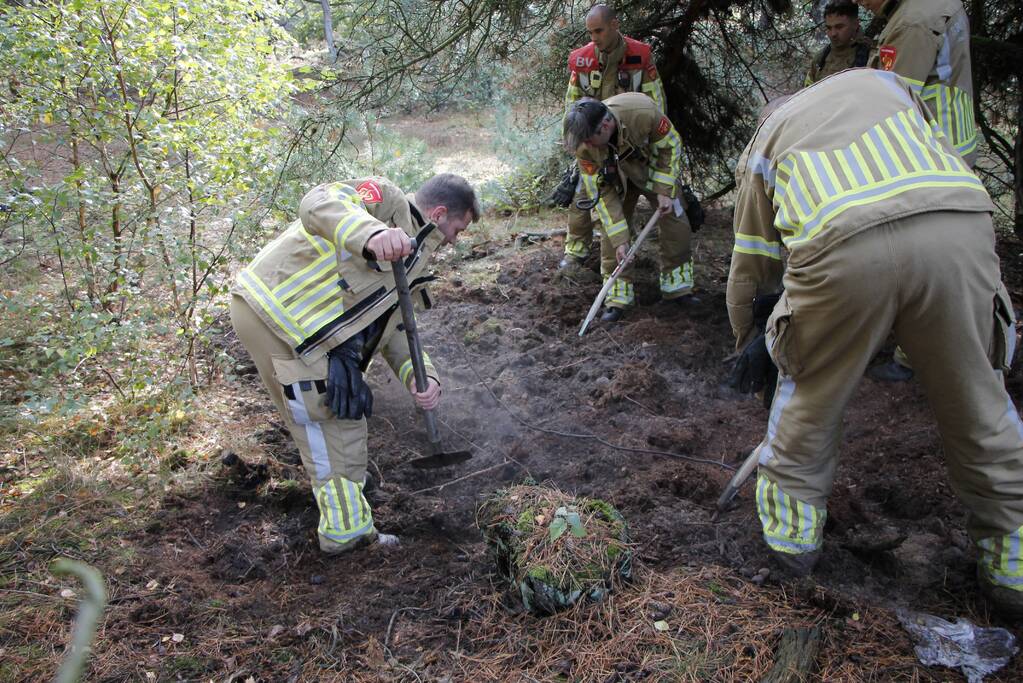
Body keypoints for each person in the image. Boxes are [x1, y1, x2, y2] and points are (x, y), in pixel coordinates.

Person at [727, 69, 1023, 618]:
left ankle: (789, 552)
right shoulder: (885, 83)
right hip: (957, 225)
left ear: (770, 114)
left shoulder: (763, 143)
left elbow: (753, 264)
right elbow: (946, 147)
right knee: (979, 399)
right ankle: (1013, 567)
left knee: (809, 400)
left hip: (840, 248)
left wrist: (761, 347)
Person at [230, 174, 479, 554]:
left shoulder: (414, 261)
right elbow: (318, 199)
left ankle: (346, 515)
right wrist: (371, 235)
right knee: (332, 424)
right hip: (281, 318)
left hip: (311, 336)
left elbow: (395, 330)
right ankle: (346, 535)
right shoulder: (386, 203)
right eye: (457, 230)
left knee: (335, 420)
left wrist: (421, 376)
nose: (453, 241)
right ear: (441, 213)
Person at [857, 0, 979, 382]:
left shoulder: (913, 22)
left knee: (925, 257)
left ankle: (913, 356)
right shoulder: (933, 5)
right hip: (946, 149)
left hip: (928, 156)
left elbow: (889, 101)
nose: (860, 2)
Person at [563, 93, 695, 323]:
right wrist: (620, 240)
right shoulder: (585, 148)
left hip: (652, 171)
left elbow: (670, 145)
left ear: (605, 125)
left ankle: (678, 290)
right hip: (616, 183)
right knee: (611, 237)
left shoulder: (641, 112)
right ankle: (618, 299)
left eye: (589, 139)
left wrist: (664, 190)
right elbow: (601, 194)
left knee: (676, 220)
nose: (586, 145)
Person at [557, 3, 667, 270]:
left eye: (599, 31)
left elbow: (657, 104)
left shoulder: (639, 58)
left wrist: (648, 145)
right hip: (595, 145)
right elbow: (571, 109)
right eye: (590, 32)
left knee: (661, 197)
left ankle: (664, 260)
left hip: (632, 144)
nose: (594, 38)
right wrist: (581, 146)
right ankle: (576, 252)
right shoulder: (581, 61)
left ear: (614, 26)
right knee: (583, 196)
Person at [857, 0, 977, 165]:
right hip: (956, 142)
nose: (855, 1)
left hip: (932, 153)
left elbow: (892, 106)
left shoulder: (912, 24)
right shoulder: (939, 5)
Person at [803, 1, 872, 86]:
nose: (833, 34)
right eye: (829, 28)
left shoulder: (870, 54)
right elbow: (808, 92)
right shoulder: (820, 59)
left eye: (839, 27)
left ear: (855, 24)